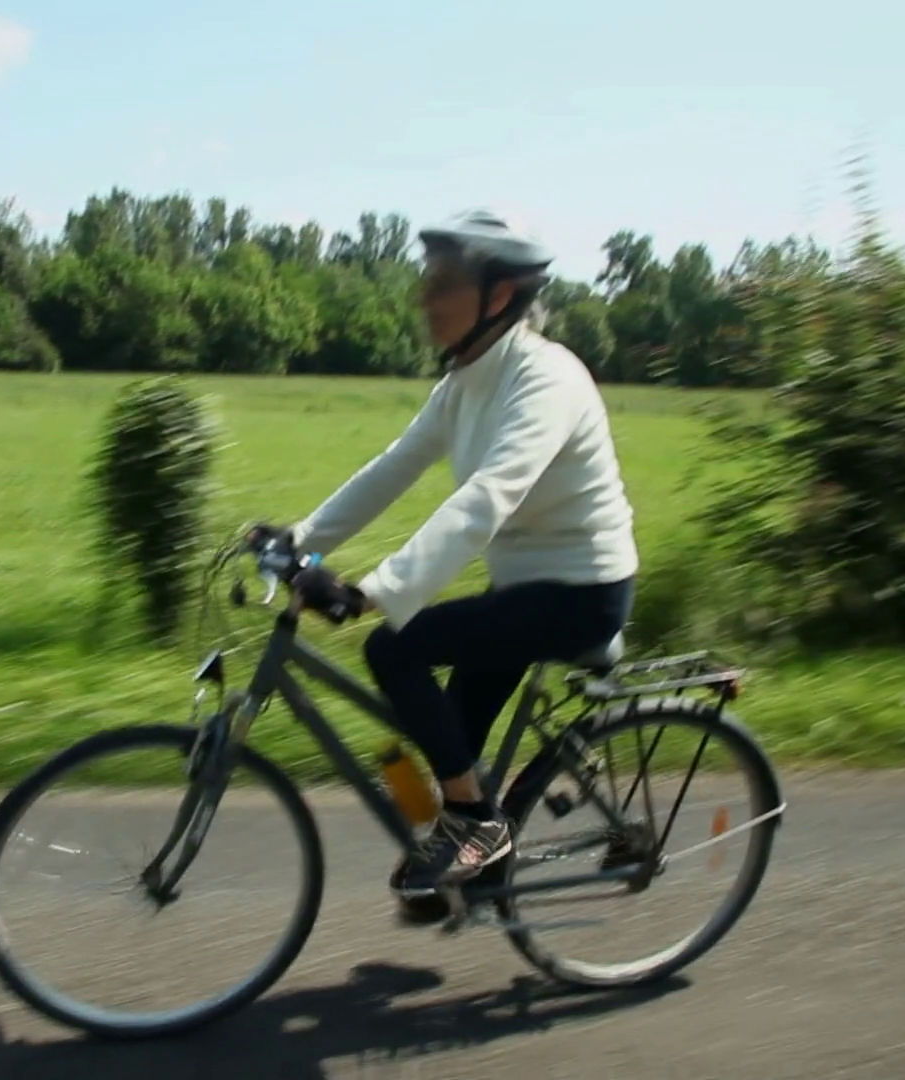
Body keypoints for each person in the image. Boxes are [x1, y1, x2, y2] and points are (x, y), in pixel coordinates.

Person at [256, 208, 639, 906]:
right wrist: (299, 540)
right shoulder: (463, 383)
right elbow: (391, 469)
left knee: (394, 649)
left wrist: (372, 592)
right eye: (425, 282)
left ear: (499, 295)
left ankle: (477, 828)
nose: (422, 299)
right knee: (445, 741)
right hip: (521, 590)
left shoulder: (547, 381)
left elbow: (487, 498)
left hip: (582, 592)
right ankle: (474, 862)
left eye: (440, 285)